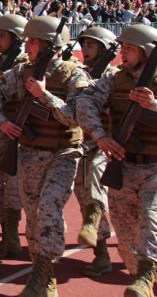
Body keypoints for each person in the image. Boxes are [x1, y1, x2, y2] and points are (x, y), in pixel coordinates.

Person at [0, 16, 89, 296]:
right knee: (32, 217)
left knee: (48, 212)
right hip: (29, 153)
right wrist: (2, 121)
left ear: (48, 45)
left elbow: (76, 118)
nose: (26, 46)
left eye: (32, 41)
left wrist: (45, 96)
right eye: (27, 40)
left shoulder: (74, 74)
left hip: (63, 153)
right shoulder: (20, 72)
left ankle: (41, 276)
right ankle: (44, 274)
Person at [77, 24, 157, 296]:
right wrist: (100, 136)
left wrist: (154, 106)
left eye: (130, 49)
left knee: (150, 222)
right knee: (125, 240)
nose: (123, 52)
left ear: (146, 53)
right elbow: (84, 101)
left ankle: (147, 275)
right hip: (123, 168)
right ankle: (142, 279)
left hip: (155, 169)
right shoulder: (114, 80)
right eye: (122, 47)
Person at [71, 26, 118, 278]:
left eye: (91, 45)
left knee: (94, 188)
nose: (85, 49)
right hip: (80, 144)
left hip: (104, 145)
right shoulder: (78, 73)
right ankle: (102, 254)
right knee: (83, 196)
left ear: (104, 49)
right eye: (84, 45)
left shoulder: (114, 78)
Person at [0, 13, 28, 261]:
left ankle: (33, 235)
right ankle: (9, 235)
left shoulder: (27, 64)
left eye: (2, 35)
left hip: (25, 135)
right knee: (0, 185)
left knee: (22, 187)